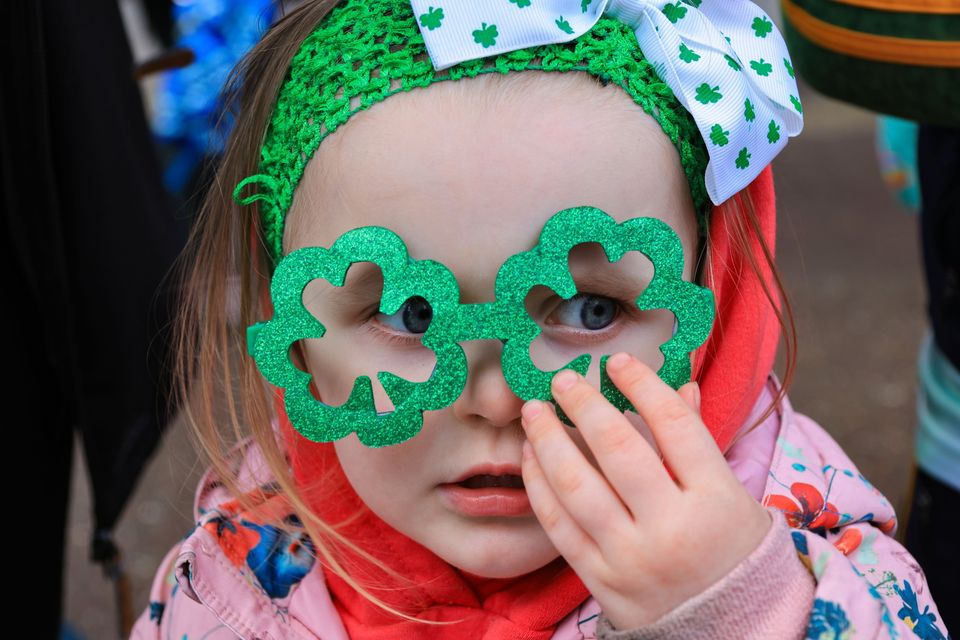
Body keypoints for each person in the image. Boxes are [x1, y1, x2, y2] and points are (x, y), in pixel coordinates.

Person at [129, 0, 949, 638]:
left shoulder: (813, 559)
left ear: (713, 293)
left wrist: (741, 612)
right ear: (296, 334)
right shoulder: (231, 578)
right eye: (412, 313)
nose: (492, 399)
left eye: (591, 309)